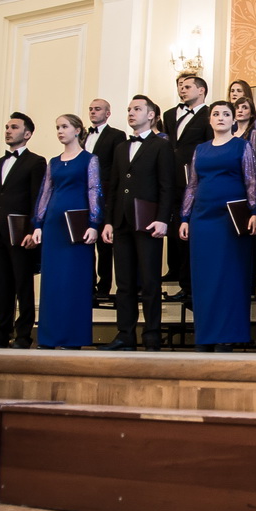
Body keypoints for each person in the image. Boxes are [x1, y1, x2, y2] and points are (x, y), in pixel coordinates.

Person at [179, 100, 256, 352]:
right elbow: (192, 185)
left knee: (229, 277)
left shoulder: (242, 146)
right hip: (202, 220)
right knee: (204, 278)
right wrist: (184, 217)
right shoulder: (200, 149)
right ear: (210, 120)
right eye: (216, 114)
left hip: (231, 219)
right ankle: (205, 336)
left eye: (227, 114)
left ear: (234, 120)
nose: (221, 117)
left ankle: (227, 335)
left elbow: (252, 179)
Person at [100, 95, 177, 351]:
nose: (131, 113)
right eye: (129, 109)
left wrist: (162, 219)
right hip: (121, 222)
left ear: (152, 114)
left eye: (137, 109)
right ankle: (125, 335)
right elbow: (114, 187)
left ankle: (152, 335)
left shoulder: (161, 145)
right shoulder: (121, 147)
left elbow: (168, 186)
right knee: (123, 282)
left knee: (150, 281)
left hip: (148, 222)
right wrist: (109, 221)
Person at [28, 114, 101, 349]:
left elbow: (94, 191)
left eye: (65, 126)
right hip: (53, 226)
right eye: (57, 127)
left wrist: (94, 224)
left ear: (78, 130)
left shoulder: (89, 159)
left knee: (74, 281)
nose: (60, 131)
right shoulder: (53, 162)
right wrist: (37, 224)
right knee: (52, 282)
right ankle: (49, 338)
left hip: (76, 227)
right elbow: (45, 193)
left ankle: (73, 338)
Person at [0, 112, 46, 349]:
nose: (8, 130)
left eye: (14, 127)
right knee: (0, 285)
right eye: (6, 127)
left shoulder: (36, 162)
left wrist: (34, 229)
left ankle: (23, 335)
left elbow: (38, 198)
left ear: (27, 134)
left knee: (23, 285)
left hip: (20, 233)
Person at [162, 75, 212, 300]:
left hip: (194, 181)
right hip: (170, 179)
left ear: (201, 91)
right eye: (181, 87)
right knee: (174, 230)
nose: (182, 90)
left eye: (188, 86)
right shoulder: (169, 115)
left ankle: (192, 287)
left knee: (191, 233)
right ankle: (180, 278)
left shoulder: (210, 115)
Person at [83, 98, 125, 298]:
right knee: (85, 240)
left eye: (97, 109)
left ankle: (104, 286)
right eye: (91, 109)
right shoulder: (82, 136)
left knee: (104, 242)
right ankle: (87, 284)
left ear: (108, 113)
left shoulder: (117, 135)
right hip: (83, 195)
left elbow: (117, 166)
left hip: (105, 194)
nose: (93, 112)